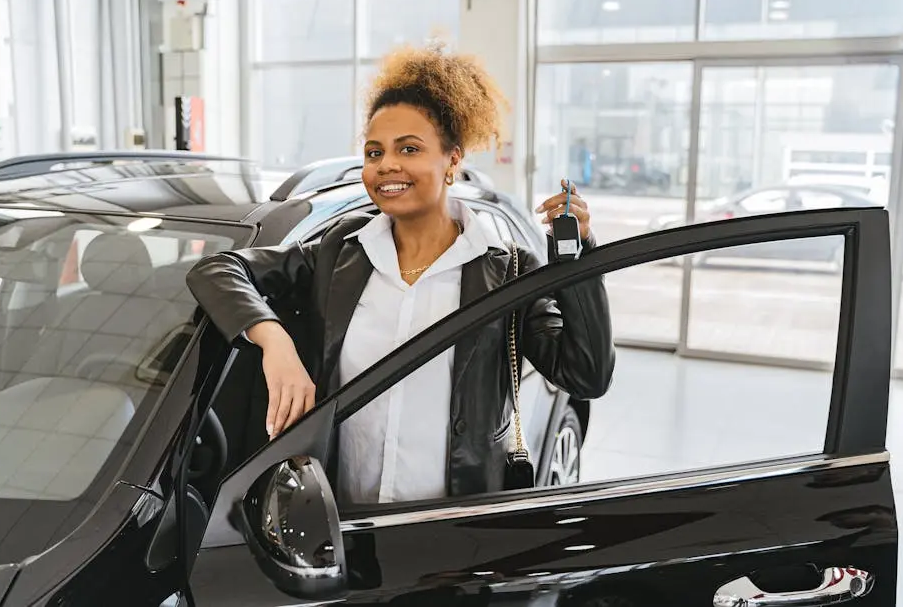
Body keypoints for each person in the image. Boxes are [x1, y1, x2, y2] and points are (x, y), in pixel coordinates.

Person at [185, 42, 614, 505]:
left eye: (409, 148)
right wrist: (274, 341)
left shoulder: (508, 270)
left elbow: (586, 374)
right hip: (339, 521)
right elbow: (220, 269)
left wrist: (578, 260)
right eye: (374, 152)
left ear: (453, 160)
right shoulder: (339, 253)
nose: (386, 165)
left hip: (452, 529)